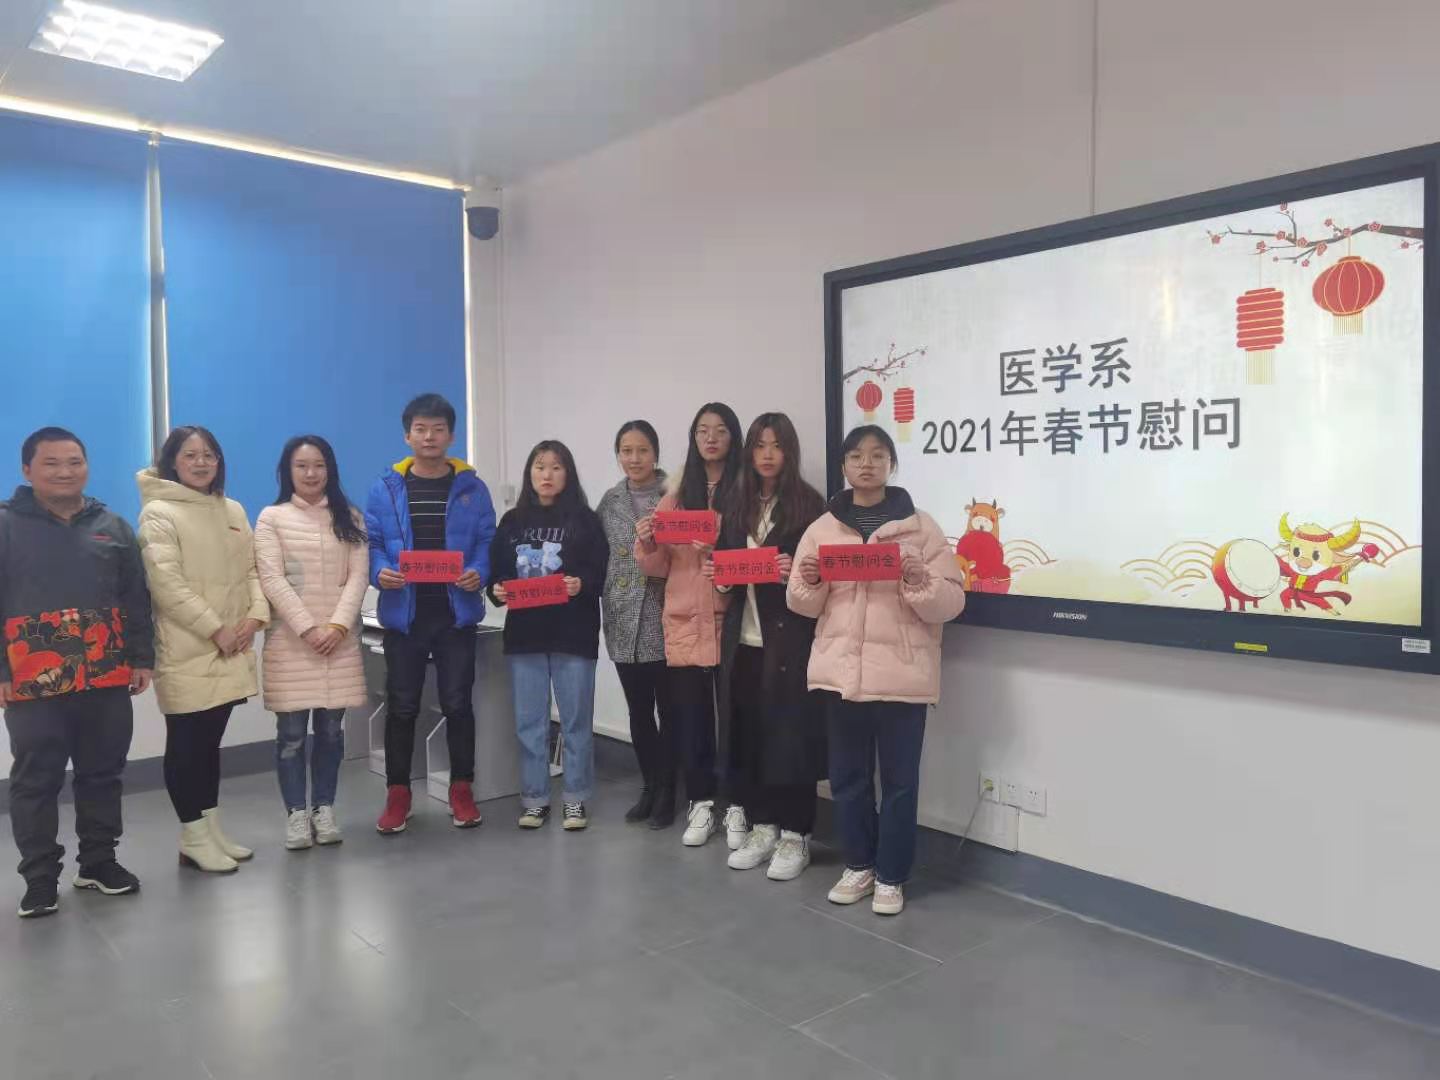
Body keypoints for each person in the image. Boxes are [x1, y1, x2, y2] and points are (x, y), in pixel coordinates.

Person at [786, 425, 965, 916]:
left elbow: (951, 602)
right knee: (848, 779)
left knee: (901, 782)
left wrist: (919, 580)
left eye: (878, 455)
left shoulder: (922, 528)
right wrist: (810, 581)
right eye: (856, 456)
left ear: (891, 464)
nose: (866, 464)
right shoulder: (823, 529)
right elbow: (801, 604)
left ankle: (891, 876)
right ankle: (859, 865)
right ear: (844, 465)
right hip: (841, 677)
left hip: (903, 676)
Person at [1, 428, 153, 918]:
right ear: (27, 470)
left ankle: (98, 863)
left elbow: (135, 598)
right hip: (32, 675)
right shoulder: (6, 525)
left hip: (105, 670)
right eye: (51, 463)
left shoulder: (113, 526)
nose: (65, 472)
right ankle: (40, 879)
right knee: (36, 779)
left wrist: (141, 658)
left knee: (102, 773)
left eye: (74, 462)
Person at [138, 426, 269, 874]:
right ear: (172, 461)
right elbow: (166, 584)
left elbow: (252, 571)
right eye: (190, 455)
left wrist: (254, 617)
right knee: (186, 745)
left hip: (232, 645)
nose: (200, 462)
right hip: (188, 647)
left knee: (210, 745)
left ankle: (211, 831)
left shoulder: (232, 509)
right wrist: (216, 629)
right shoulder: (158, 512)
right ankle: (193, 836)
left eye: (209, 455)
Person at [365, 393, 496, 834]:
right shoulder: (385, 488)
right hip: (405, 615)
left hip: (455, 614)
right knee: (402, 705)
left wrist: (479, 571)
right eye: (420, 429)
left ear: (450, 436)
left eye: (438, 429)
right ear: (407, 436)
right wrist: (379, 571)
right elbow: (373, 543)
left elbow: (486, 540)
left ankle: (461, 790)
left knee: (458, 704)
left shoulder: (472, 488)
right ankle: (398, 794)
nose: (429, 437)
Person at [705, 413, 826, 881]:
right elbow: (725, 572)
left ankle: (797, 833)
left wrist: (792, 573)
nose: (767, 455)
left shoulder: (810, 506)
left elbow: (820, 578)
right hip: (744, 640)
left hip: (790, 641)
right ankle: (763, 825)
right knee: (750, 735)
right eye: (759, 445)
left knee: (791, 736)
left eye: (776, 445)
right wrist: (719, 575)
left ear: (789, 451)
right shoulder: (736, 503)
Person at [635, 402, 743, 849]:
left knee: (735, 720)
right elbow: (659, 567)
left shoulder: (745, 492)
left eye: (720, 430)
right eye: (702, 430)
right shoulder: (676, 496)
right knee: (692, 719)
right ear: (693, 439)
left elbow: (754, 558)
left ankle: (737, 804)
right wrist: (647, 543)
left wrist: (720, 551)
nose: (711, 438)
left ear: (733, 437)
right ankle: (701, 802)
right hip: (683, 622)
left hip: (732, 622)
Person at [254, 436, 369, 851]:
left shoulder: (350, 517)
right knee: (291, 737)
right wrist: (308, 628)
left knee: (331, 734)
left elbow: (358, 577)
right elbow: (271, 579)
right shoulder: (272, 518)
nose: (310, 473)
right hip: (291, 643)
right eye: (301, 465)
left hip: (338, 643)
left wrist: (337, 626)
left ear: (329, 469)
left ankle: (324, 808)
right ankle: (296, 814)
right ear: (287, 471)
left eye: (318, 465)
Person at [487, 441, 608, 830]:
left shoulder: (585, 520)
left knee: (575, 722)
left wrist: (580, 583)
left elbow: (600, 571)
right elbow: (496, 572)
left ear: (567, 473)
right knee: (530, 723)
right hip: (526, 636)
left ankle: (575, 798)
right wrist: (497, 589)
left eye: (556, 467)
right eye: (540, 467)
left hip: (573, 634)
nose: (547, 475)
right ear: (530, 473)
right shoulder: (512, 521)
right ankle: (535, 798)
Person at [596, 420, 676, 828]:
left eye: (642, 450)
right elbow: (598, 555)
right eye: (626, 450)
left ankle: (669, 791)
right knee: (639, 711)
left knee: (670, 711)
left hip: (664, 613)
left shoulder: (675, 496)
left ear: (655, 453)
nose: (634, 458)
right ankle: (650, 785)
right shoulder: (610, 501)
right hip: (623, 616)